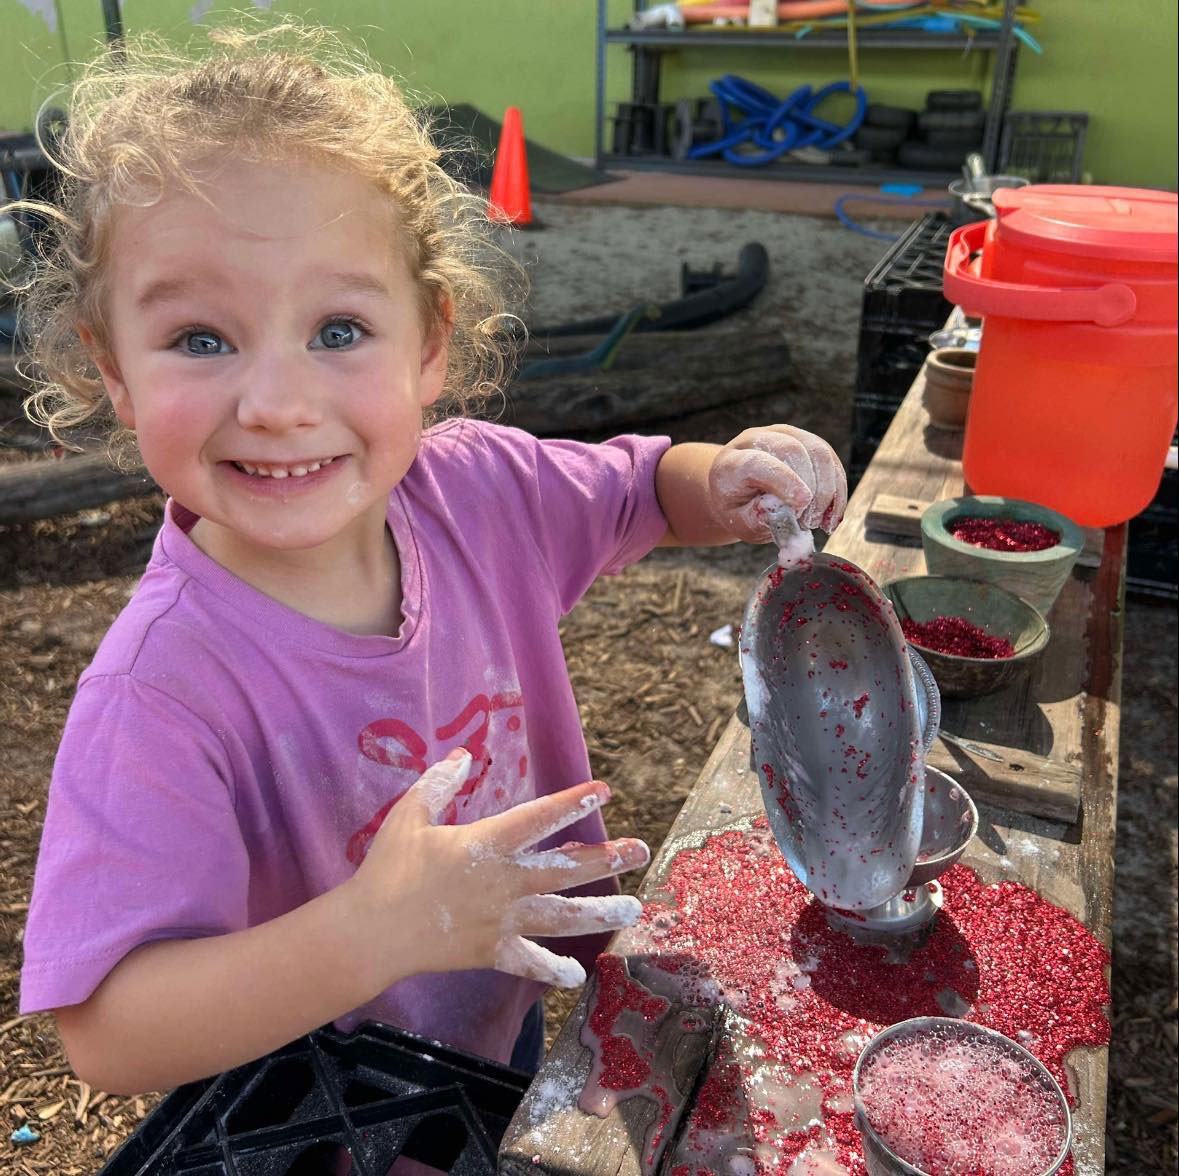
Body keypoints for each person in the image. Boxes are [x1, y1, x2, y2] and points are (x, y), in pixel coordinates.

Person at [15, 22, 846, 1098]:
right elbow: (111, 1036)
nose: (275, 405)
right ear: (115, 373)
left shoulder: (480, 496)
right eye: (201, 340)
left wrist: (727, 477)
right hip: (321, 1121)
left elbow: (641, 489)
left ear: (430, 346)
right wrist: (378, 932)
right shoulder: (163, 691)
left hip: (505, 1029)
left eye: (340, 329)